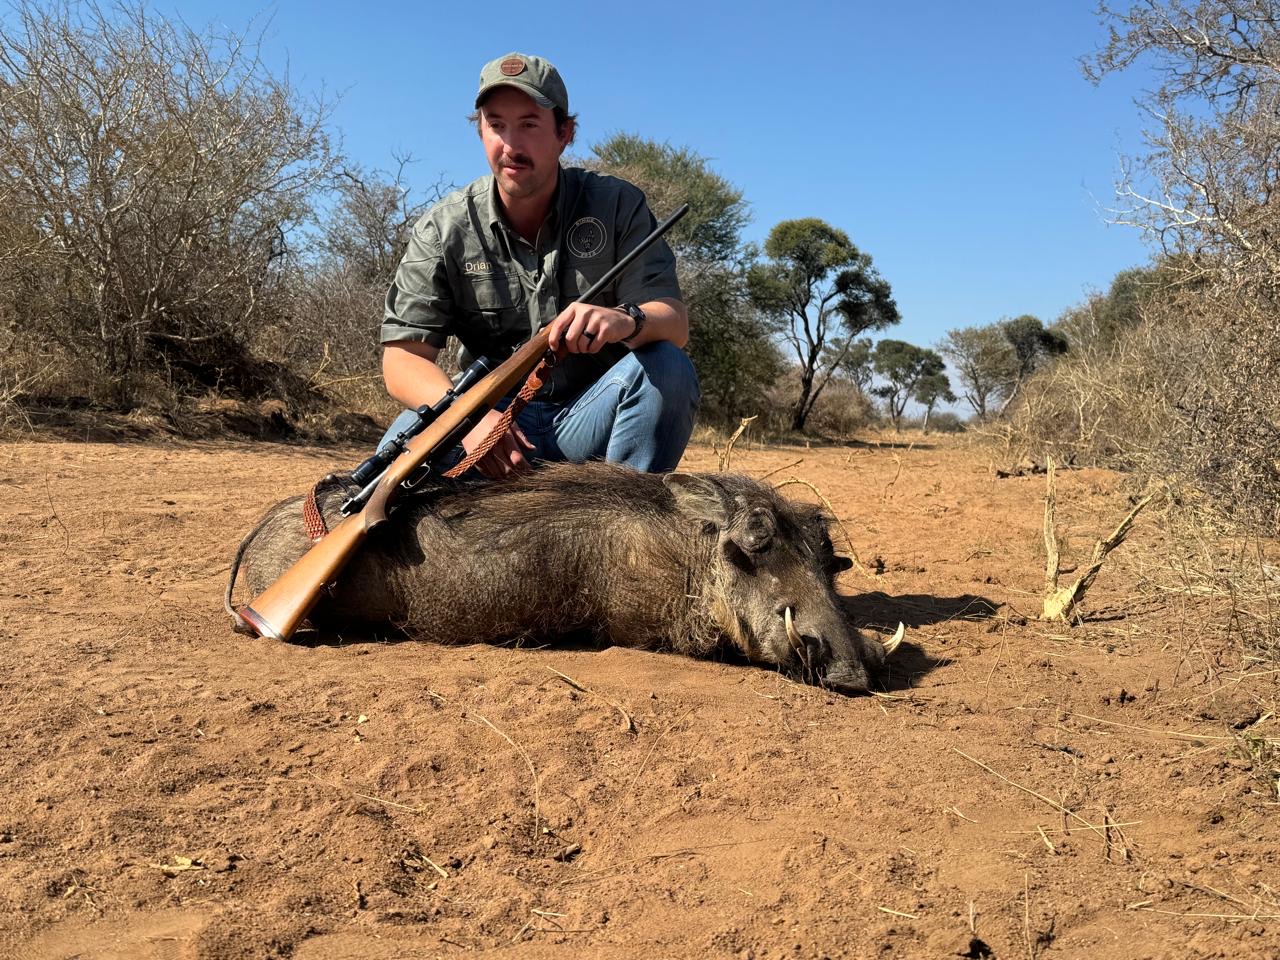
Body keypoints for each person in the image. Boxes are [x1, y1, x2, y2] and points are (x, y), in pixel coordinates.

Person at [378, 52, 699, 478]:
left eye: (529, 124)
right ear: (480, 131)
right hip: (488, 423)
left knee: (668, 370)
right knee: (388, 470)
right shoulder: (443, 227)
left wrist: (626, 320)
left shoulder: (618, 205)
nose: (510, 144)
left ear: (564, 133)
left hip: (589, 421)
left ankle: (619, 530)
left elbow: (674, 324)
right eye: (496, 125)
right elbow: (402, 359)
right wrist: (464, 419)